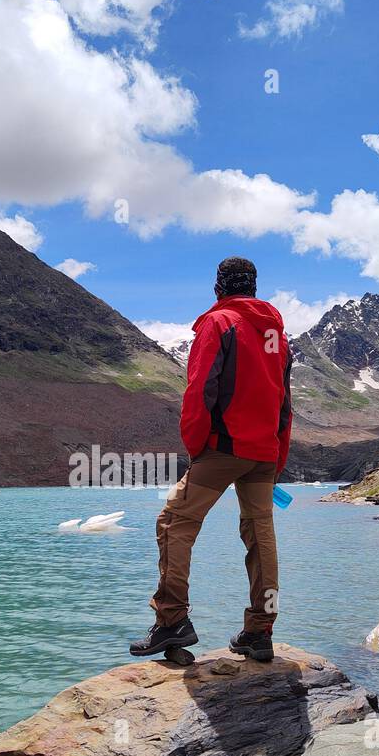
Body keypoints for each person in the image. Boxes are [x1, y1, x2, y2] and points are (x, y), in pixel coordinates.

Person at [130, 256, 292, 663]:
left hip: (222, 448)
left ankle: (172, 622)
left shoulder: (218, 324)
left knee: (174, 523)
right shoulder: (277, 335)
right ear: (254, 288)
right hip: (264, 454)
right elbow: (285, 403)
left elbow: (200, 389)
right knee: (261, 537)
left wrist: (196, 446)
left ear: (218, 287)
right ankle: (260, 631)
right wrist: (278, 455)